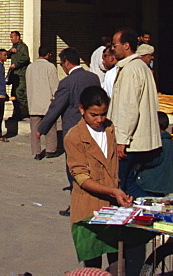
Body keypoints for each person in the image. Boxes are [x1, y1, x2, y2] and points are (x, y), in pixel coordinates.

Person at [65, 86, 133, 269]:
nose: (99, 119)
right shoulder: (74, 137)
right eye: (94, 115)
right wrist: (112, 191)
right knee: (93, 265)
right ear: (82, 110)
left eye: (103, 114)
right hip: (88, 208)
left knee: (118, 262)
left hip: (113, 207)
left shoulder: (110, 128)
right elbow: (81, 177)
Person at [39, 47, 102, 216]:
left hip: (73, 129)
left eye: (62, 64)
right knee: (91, 165)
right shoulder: (93, 77)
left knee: (74, 168)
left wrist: (42, 128)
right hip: (93, 129)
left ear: (66, 62)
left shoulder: (67, 82)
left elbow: (56, 107)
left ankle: (77, 205)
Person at [110, 27, 161, 197]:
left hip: (131, 142)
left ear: (126, 46)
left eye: (114, 45)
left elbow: (128, 108)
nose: (112, 49)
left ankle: (150, 210)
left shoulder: (131, 70)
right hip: (136, 140)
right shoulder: (139, 67)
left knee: (123, 185)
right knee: (129, 182)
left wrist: (122, 140)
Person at [135, 111, 173, 197]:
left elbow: (152, 160)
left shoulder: (160, 143)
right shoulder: (171, 142)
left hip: (153, 186)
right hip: (164, 186)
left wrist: (138, 159)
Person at [27, 43, 59, 160]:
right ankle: (51, 150)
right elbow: (55, 86)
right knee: (50, 127)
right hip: (47, 102)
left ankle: (36, 152)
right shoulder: (50, 67)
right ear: (48, 54)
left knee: (35, 128)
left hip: (34, 102)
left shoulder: (30, 67)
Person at [7, 30, 30, 119]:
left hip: (21, 74)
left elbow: (26, 58)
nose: (11, 39)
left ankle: (26, 111)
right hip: (15, 75)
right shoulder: (13, 47)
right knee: (13, 94)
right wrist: (10, 51)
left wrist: (16, 65)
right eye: (10, 37)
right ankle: (17, 113)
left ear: (17, 37)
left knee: (20, 93)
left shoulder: (23, 47)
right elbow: (7, 55)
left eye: (12, 37)